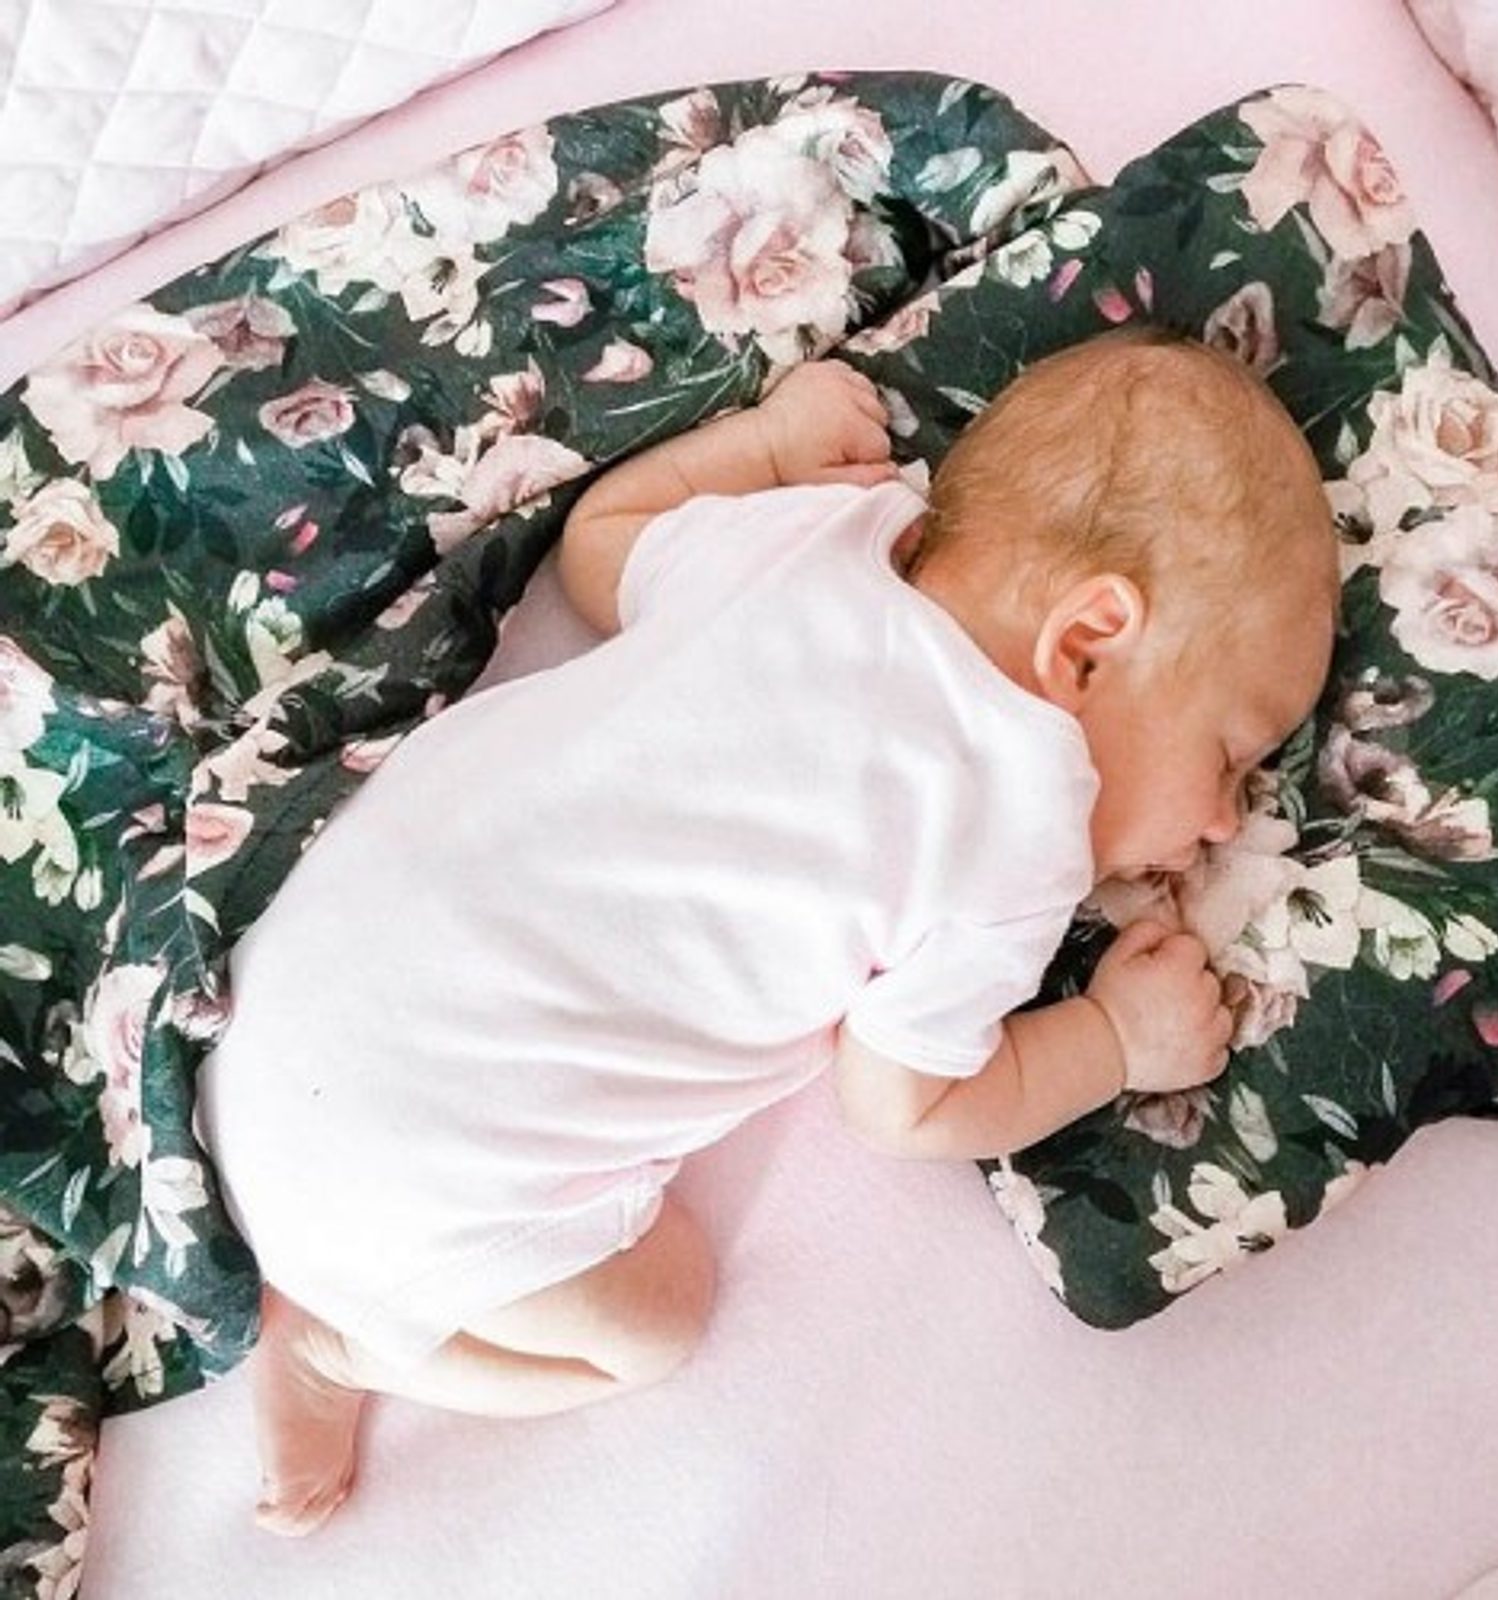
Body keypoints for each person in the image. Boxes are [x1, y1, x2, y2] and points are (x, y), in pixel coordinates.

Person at [196, 326, 1339, 1536]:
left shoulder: (822, 537)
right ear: (1088, 644)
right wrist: (1114, 1040)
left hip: (276, 992)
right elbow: (905, 1107)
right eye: (1230, 755)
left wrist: (766, 442)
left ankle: (337, 1305)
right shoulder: (1016, 829)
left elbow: (599, 548)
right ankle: (340, 1346)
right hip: (418, 1182)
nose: (1227, 821)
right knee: (659, 1321)